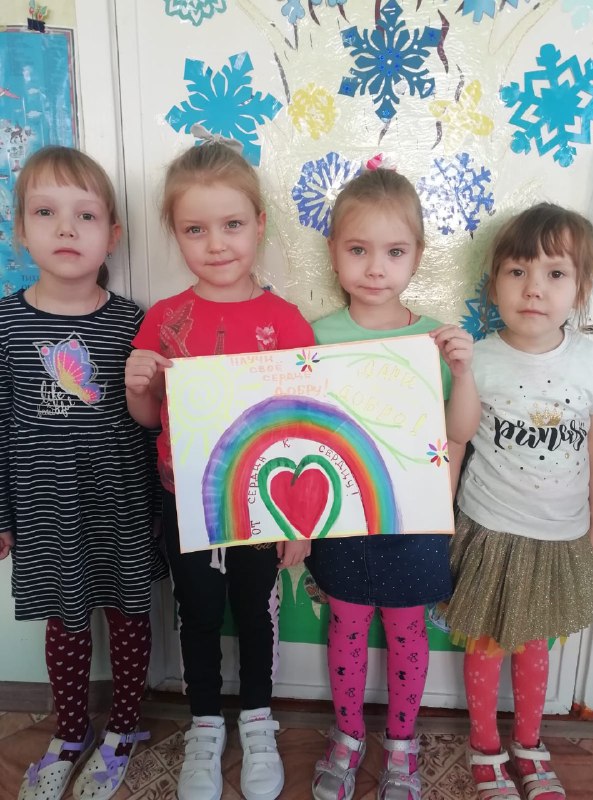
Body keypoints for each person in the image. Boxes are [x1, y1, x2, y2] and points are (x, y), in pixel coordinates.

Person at [125, 129, 315, 800]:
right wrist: (138, 384)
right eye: (195, 229)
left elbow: (305, 429)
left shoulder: (286, 321)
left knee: (256, 612)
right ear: (176, 235)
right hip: (186, 502)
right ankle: (205, 723)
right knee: (198, 612)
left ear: (259, 224)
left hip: (264, 504)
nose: (216, 244)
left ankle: (257, 720)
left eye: (232, 225)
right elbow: (149, 419)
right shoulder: (164, 318)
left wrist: (300, 522)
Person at [306, 167, 480, 800]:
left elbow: (459, 433)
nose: (375, 268)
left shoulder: (432, 338)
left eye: (394, 252)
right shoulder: (315, 337)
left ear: (416, 256)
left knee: (408, 633)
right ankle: (349, 735)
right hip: (343, 521)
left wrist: (463, 372)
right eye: (358, 249)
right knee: (346, 628)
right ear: (334, 251)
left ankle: (402, 744)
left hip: (415, 521)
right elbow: (303, 433)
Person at [0, 145, 168, 800]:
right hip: (46, 509)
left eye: (86, 215)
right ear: (20, 230)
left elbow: (154, 423)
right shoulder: (6, 323)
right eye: (46, 212)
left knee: (130, 616)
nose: (66, 229)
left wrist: (163, 512)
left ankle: (124, 727)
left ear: (112, 235)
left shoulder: (134, 321)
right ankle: (70, 732)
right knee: (65, 624)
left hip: (122, 506)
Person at [445, 203, 593, 800]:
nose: (534, 288)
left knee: (535, 647)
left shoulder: (589, 360)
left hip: (559, 536)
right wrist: (463, 373)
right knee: (486, 645)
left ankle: (531, 747)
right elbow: (457, 437)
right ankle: (485, 749)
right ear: (494, 284)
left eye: (555, 274)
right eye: (517, 271)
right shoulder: (481, 358)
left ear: (580, 288)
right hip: (491, 530)